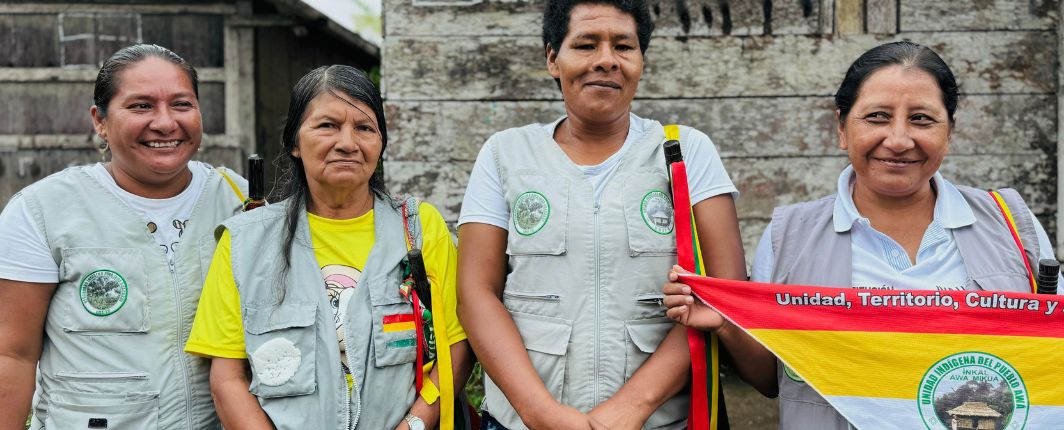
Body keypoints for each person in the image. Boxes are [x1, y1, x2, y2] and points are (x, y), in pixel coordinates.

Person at [663, 41, 1062, 429]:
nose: (900, 140)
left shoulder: (1011, 225)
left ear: (950, 130)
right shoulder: (790, 238)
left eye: (921, 118)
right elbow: (771, 378)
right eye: (877, 117)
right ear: (841, 127)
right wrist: (727, 322)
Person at [456, 0, 765, 428]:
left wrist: (630, 409)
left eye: (624, 46)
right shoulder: (505, 154)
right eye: (585, 44)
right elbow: (476, 292)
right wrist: (539, 412)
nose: (606, 61)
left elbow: (722, 293)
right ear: (552, 59)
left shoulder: (684, 152)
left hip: (658, 422)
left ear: (641, 61)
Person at [184, 65, 473, 430]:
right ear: (294, 142)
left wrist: (414, 424)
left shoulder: (417, 228)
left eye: (365, 128)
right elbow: (227, 378)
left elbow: (457, 348)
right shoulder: (245, 242)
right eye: (327, 126)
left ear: (381, 143)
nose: (348, 143)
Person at [0, 44, 247, 429]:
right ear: (99, 120)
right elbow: (12, 355)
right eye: (141, 106)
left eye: (182, 104)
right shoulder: (43, 210)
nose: (165, 123)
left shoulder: (240, 202)